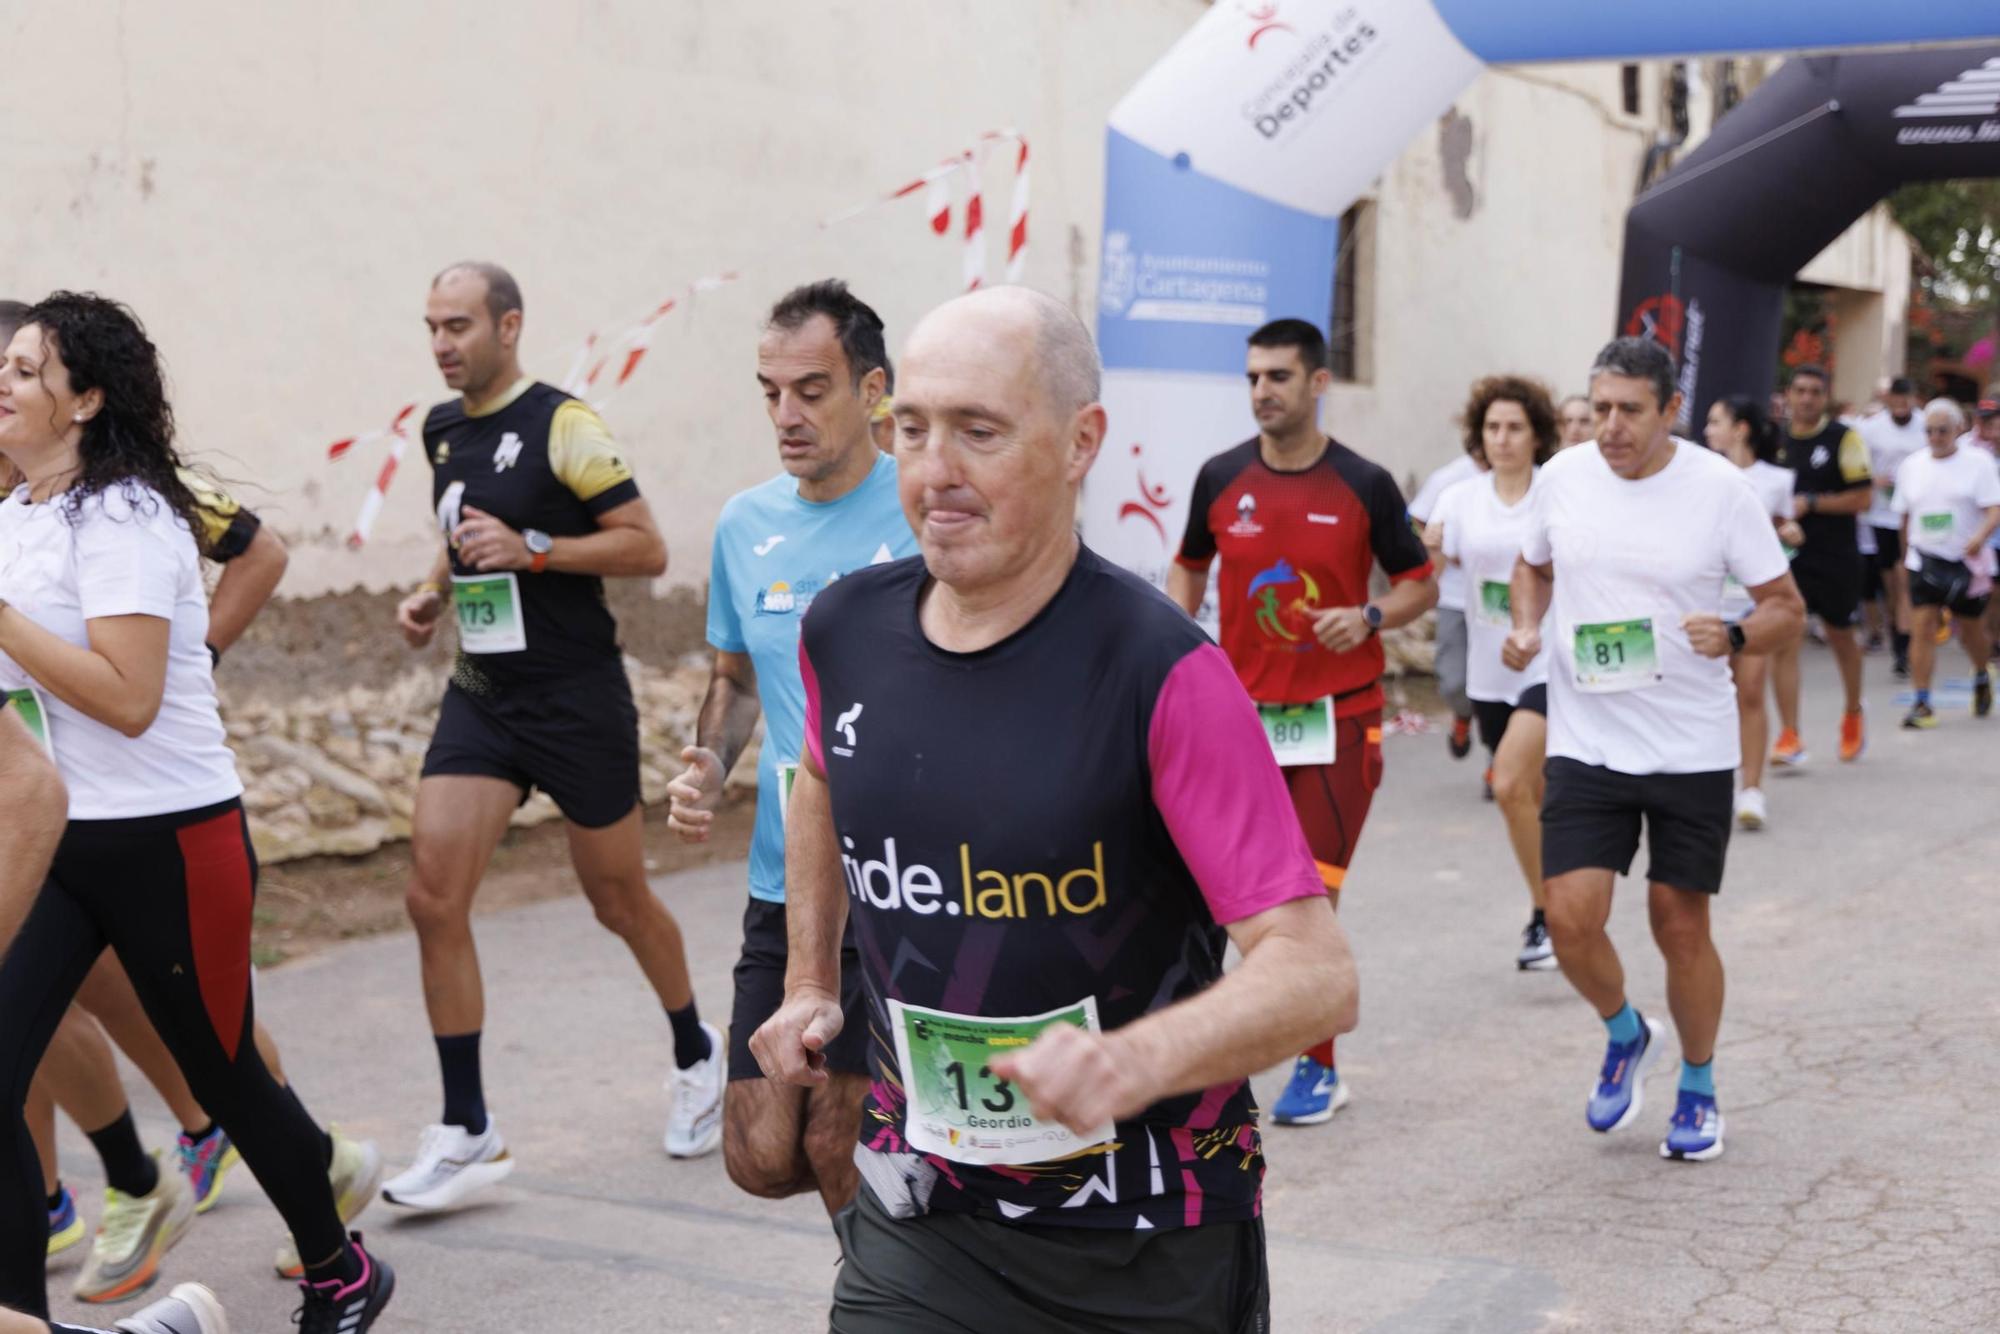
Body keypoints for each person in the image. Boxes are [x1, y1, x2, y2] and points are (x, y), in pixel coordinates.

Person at [752, 284, 1355, 1334]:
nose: (933, 470)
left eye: (977, 432)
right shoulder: (844, 629)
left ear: (1080, 443)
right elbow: (821, 784)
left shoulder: (1160, 670)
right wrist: (810, 977)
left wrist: (1127, 1062)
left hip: (1144, 1234)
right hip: (920, 1211)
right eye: (912, 429)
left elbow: (1313, 971)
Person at [0, 293, 392, 1329]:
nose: (4, 379)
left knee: (225, 1075)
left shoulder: (124, 511)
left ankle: (340, 1270)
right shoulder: (17, 515)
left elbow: (129, 699)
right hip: (58, 842)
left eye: (29, 369)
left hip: (172, 839)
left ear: (84, 399)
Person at [381, 262, 719, 1212]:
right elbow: (461, 532)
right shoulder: (441, 429)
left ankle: (696, 1052)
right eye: (431, 327)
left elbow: (646, 547)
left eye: (459, 326)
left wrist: (538, 551)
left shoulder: (564, 425)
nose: (443, 345)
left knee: (618, 898)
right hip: (485, 696)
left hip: (577, 698)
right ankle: (466, 1128)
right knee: (430, 897)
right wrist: (432, 591)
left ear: (510, 326)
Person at [1507, 337, 1803, 1164]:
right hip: (1589, 737)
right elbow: (1533, 567)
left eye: (1629, 410)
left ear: (1671, 409)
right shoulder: (1563, 475)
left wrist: (1739, 630)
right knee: (1568, 919)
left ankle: (1700, 1087)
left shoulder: (1720, 490)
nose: (1609, 427)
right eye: (1599, 407)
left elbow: (1788, 607)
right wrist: (1529, 625)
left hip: (1690, 746)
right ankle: (1626, 1030)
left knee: (1678, 924)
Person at [666, 280, 917, 1218]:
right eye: (770, 391)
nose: (786, 414)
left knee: (838, 1145)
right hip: (783, 881)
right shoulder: (746, 525)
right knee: (763, 1152)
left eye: (812, 389)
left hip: (896, 883)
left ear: (874, 389)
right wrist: (709, 762)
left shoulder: (926, 512)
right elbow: (735, 681)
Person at [1167, 318, 1435, 1126]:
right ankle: (1201, 1059)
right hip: (1239, 725)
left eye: (1278, 377)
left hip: (1339, 722)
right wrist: (1183, 649)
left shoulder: (1365, 483)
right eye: (1252, 378)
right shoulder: (1220, 477)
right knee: (1213, 894)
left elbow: (1420, 580)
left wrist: (1372, 615)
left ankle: (1318, 1066)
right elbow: (1188, 566)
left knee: (1309, 896)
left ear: (1318, 384)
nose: (1262, 393)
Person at [0, 706, 232, 1334]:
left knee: (158, 1000)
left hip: (113, 808)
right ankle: (121, 1179)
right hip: (50, 802)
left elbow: (36, 778)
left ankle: (290, 1152)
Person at [1422, 376, 1558, 969]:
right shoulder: (1459, 499)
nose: (1502, 439)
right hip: (1489, 668)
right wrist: (1425, 549)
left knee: (1507, 784)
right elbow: (1427, 566)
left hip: (1549, 659)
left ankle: (1546, 915)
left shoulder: (1555, 495)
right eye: (1492, 428)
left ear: (1536, 436)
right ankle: (1560, 903)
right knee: (1531, 794)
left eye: (1515, 428)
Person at [1703, 395, 1803, 831]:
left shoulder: (1776, 479)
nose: (1708, 430)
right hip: (1706, 605)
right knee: (1710, 696)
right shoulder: (1699, 476)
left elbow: (1783, 529)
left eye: (1716, 422)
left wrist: (1792, 532)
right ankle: (1710, 779)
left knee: (1750, 690)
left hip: (1754, 604)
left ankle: (1752, 789)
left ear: (1740, 428)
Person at [1772, 364, 1871, 765]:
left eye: (1815, 391)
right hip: (1787, 558)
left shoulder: (1844, 439)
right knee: (1786, 640)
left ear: (1825, 396)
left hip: (1836, 556)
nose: (1807, 398)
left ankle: (1852, 713)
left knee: (1841, 636)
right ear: (1789, 395)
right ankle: (1790, 734)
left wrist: (1811, 503)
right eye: (1800, 390)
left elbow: (1863, 499)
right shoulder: (1775, 440)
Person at [1895, 398, 2000, 729]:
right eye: (1929, 430)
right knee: (1922, 628)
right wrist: (1905, 558)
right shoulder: (1912, 465)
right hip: (1923, 561)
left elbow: (1994, 509)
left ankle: (1982, 673)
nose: (1935, 436)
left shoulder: (1978, 462)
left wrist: (1979, 538)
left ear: (1958, 429)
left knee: (1971, 632)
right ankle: (1922, 702)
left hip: (1964, 563)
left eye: (1942, 430)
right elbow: (1905, 517)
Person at [1408, 448, 1484, 770]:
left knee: (1509, 693)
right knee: (1454, 681)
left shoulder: (1531, 477)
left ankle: (1501, 763)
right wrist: (1433, 548)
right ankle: (1463, 715)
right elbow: (1415, 520)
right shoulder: (1450, 479)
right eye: (1491, 427)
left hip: (1507, 605)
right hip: (1456, 596)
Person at [1858, 378, 1925, 675]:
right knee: (1890, 581)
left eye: (1905, 397)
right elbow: (1858, 468)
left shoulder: (1925, 425)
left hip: (1915, 514)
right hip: (1882, 515)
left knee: (1904, 578)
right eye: (1895, 398)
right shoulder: (1872, 428)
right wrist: (1875, 480)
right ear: (1888, 399)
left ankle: (1905, 645)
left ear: (1913, 398)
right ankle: (1897, 632)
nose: (1901, 404)